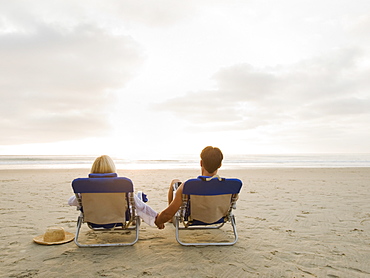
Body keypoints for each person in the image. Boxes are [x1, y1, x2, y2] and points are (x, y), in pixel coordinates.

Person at [68, 155, 158, 226]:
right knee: (137, 199)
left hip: (94, 218)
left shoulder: (84, 187)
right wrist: (157, 217)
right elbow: (141, 206)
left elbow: (71, 202)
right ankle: (133, 222)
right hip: (119, 218)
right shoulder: (121, 185)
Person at [154, 146, 223, 229]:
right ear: (220, 165)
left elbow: (167, 213)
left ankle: (171, 219)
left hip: (193, 216)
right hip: (217, 216)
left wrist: (158, 221)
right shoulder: (230, 186)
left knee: (175, 182)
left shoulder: (188, 186)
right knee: (176, 182)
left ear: (201, 163)